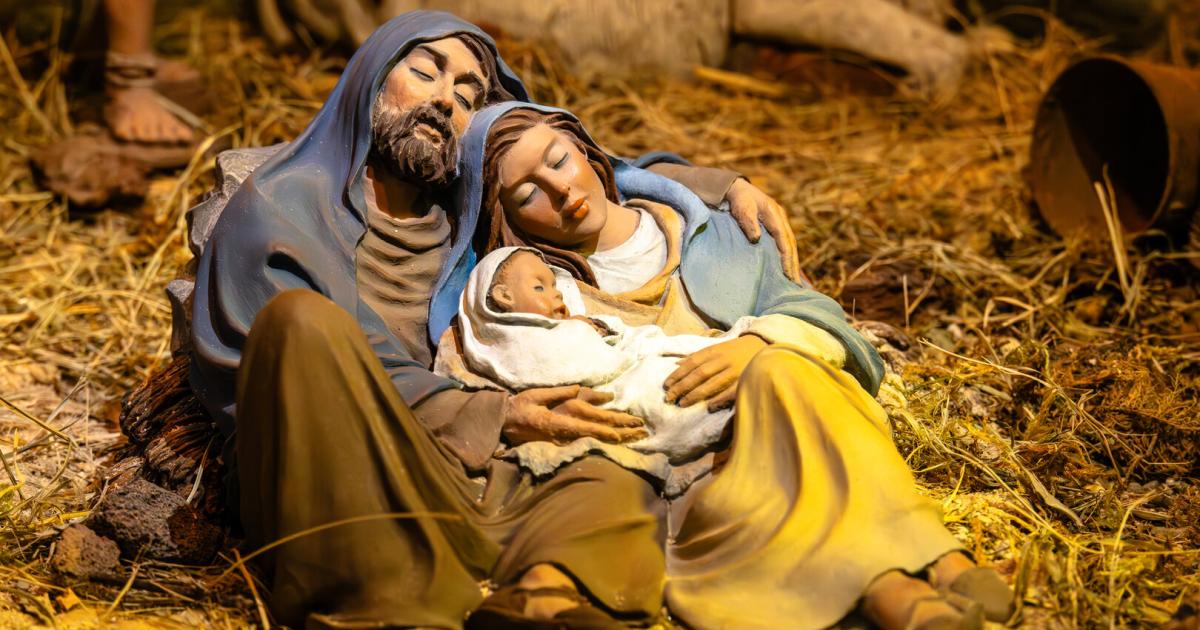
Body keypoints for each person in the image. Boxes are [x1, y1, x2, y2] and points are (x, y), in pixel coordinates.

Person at [189, 11, 802, 628]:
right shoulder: (281, 210)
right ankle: (385, 604)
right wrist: (495, 414)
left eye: (465, 97)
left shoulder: (464, 213)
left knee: (608, 461)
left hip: (456, 455)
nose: (443, 101)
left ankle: (546, 599)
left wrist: (720, 187)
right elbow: (314, 372)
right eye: (425, 73)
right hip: (333, 459)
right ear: (369, 78)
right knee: (303, 323)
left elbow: (573, 159)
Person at [454, 101, 1018, 629]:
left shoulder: (718, 233)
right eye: (528, 192)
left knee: (782, 371)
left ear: (587, 152)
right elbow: (479, 386)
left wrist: (758, 342)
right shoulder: (534, 301)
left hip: (788, 426)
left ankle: (922, 566)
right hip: (697, 481)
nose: (561, 190)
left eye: (559, 161)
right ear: (508, 218)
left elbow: (827, 322)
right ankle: (903, 584)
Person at [442, 246, 839, 495]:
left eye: (555, 287)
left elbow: (619, 343)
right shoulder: (520, 341)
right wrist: (596, 335)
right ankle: (725, 420)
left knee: (704, 363)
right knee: (669, 395)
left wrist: (605, 331)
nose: (557, 298)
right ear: (503, 297)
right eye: (539, 288)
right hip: (620, 392)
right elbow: (592, 365)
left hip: (641, 362)